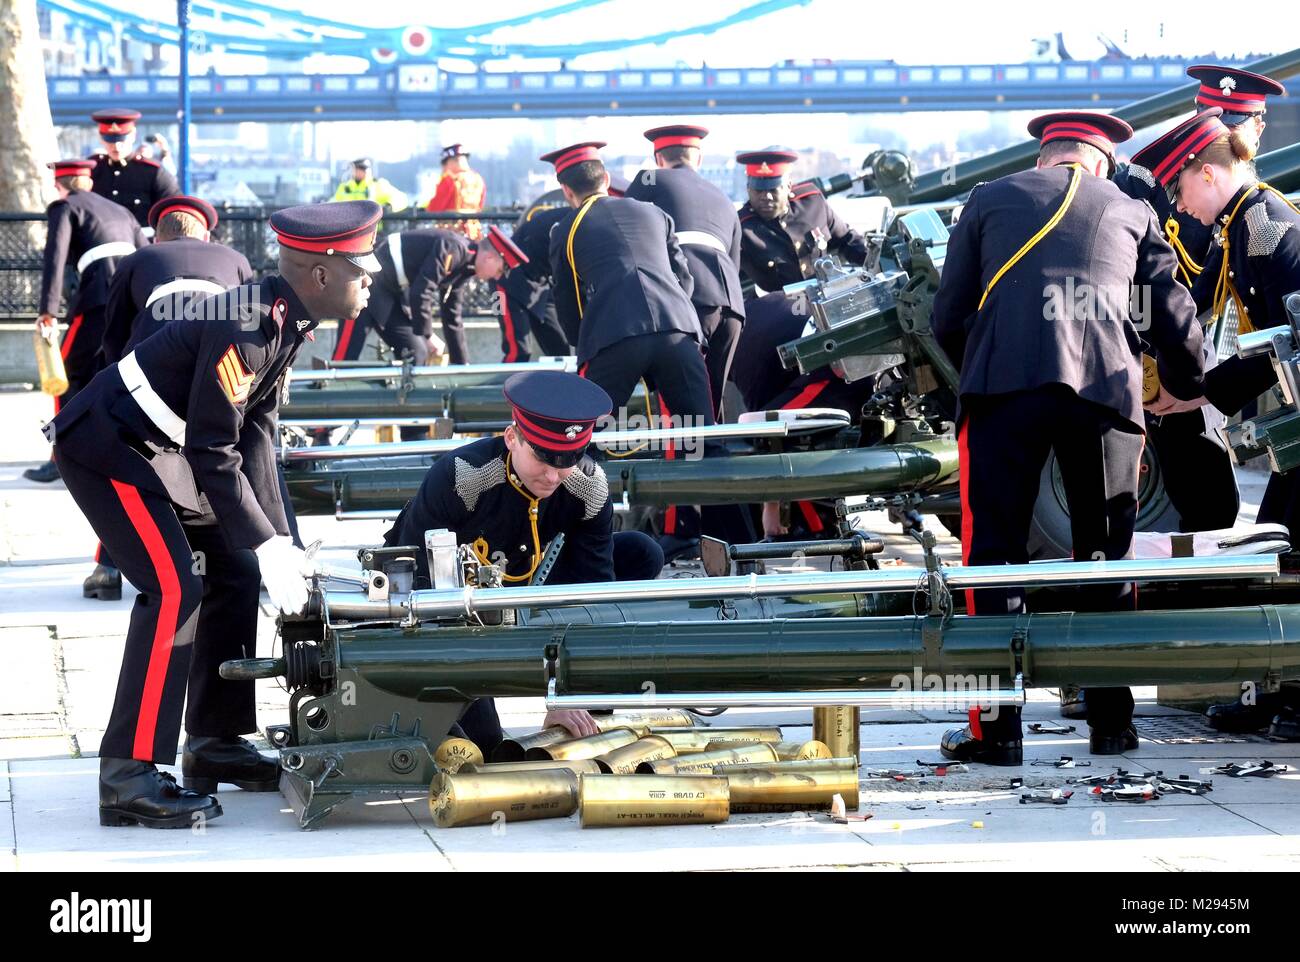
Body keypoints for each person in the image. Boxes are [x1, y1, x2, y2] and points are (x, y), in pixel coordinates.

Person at [46, 200, 382, 827]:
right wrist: (265, 541)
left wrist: (280, 546)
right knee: (174, 590)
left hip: (154, 449)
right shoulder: (249, 326)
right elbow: (212, 447)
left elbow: (257, 436)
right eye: (362, 270)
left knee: (233, 566)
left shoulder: (283, 321)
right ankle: (128, 774)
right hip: (109, 449)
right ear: (321, 275)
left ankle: (214, 741)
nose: (372, 279)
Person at [931, 111, 1208, 763]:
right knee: (1106, 559)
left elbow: (947, 314)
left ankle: (995, 733)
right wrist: (1184, 383)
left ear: (1044, 154)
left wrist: (990, 359)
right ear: (1103, 160)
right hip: (1104, 396)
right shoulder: (1132, 209)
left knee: (991, 562)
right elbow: (1173, 314)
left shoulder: (988, 199)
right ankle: (1113, 725)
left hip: (1005, 390)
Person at [384, 371, 664, 752]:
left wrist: (565, 697)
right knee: (484, 743)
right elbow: (414, 581)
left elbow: (592, 592)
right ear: (512, 438)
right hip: (453, 609)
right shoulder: (464, 477)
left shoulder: (587, 485)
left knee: (640, 553)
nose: (553, 476)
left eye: (567, 461)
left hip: (528, 589)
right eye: (542, 459)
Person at [1137, 109, 1300, 741]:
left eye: (1180, 188)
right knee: (1273, 551)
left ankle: (1288, 696)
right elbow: (1198, 301)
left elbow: (1286, 341)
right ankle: (1268, 691)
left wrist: (1200, 392)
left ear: (1208, 174)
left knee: (1286, 553)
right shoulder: (1239, 226)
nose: (1179, 203)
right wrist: (1176, 380)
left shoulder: (1270, 227)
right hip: (1290, 415)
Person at [544, 140, 754, 558]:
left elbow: (568, 305)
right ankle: (719, 541)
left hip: (613, 339)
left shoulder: (565, 227)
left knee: (580, 438)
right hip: (679, 332)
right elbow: (684, 278)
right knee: (700, 436)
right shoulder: (654, 213)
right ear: (606, 179)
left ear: (567, 191)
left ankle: (573, 539)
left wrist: (588, 345)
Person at [78, 197, 255, 603]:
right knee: (239, 459)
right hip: (221, 383)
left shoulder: (138, 262)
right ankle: (255, 552)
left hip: (149, 389)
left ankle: (108, 568)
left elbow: (115, 338)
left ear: (157, 236)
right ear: (206, 234)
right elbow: (251, 327)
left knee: (128, 470)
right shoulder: (235, 259)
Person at [24, 159, 145, 485]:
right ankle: (112, 454)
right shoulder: (121, 211)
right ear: (88, 182)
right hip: (131, 307)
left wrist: (47, 310)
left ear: (58, 184)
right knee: (113, 378)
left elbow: (55, 257)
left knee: (64, 376)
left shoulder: (64, 207)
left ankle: (59, 458)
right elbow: (147, 255)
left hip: (95, 305)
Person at [625, 124, 746, 417]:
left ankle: (682, 462)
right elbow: (735, 261)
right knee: (710, 405)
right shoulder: (722, 195)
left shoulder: (648, 180)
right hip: (731, 308)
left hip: (686, 304)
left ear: (658, 159)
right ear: (699, 159)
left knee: (679, 405)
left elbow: (622, 229)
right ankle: (714, 458)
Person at [349, 224, 523, 376]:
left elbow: (452, 317)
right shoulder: (454, 248)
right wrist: (428, 335)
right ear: (489, 257)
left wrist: (461, 367)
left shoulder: (466, 266)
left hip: (392, 291)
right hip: (371, 281)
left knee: (417, 352)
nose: (497, 277)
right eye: (500, 270)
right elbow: (421, 291)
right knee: (347, 354)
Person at [736, 147, 871, 294]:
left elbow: (847, 240)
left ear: (788, 186)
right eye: (758, 190)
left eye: (773, 189)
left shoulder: (812, 203)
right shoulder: (740, 228)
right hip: (782, 309)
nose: (766, 196)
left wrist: (875, 263)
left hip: (827, 295)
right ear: (748, 189)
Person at [494, 205, 573, 362]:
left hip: (541, 280)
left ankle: (563, 385)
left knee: (560, 350)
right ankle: (507, 386)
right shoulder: (575, 219)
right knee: (518, 352)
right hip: (507, 276)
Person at [88, 109, 180, 228]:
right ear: (101, 139)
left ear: (133, 136)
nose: (116, 146)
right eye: (109, 140)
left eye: (122, 139)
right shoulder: (91, 171)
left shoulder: (152, 172)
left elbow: (175, 208)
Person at [425, 144, 486, 239]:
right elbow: (480, 206)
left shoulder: (449, 180)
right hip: (473, 232)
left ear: (450, 162)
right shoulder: (478, 179)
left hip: (452, 234)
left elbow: (435, 208)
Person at [331, 157, 408, 214]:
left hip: (373, 232)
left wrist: (390, 206)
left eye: (358, 169)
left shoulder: (378, 185)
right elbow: (332, 203)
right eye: (354, 169)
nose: (354, 172)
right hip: (349, 231)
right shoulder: (345, 187)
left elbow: (402, 198)